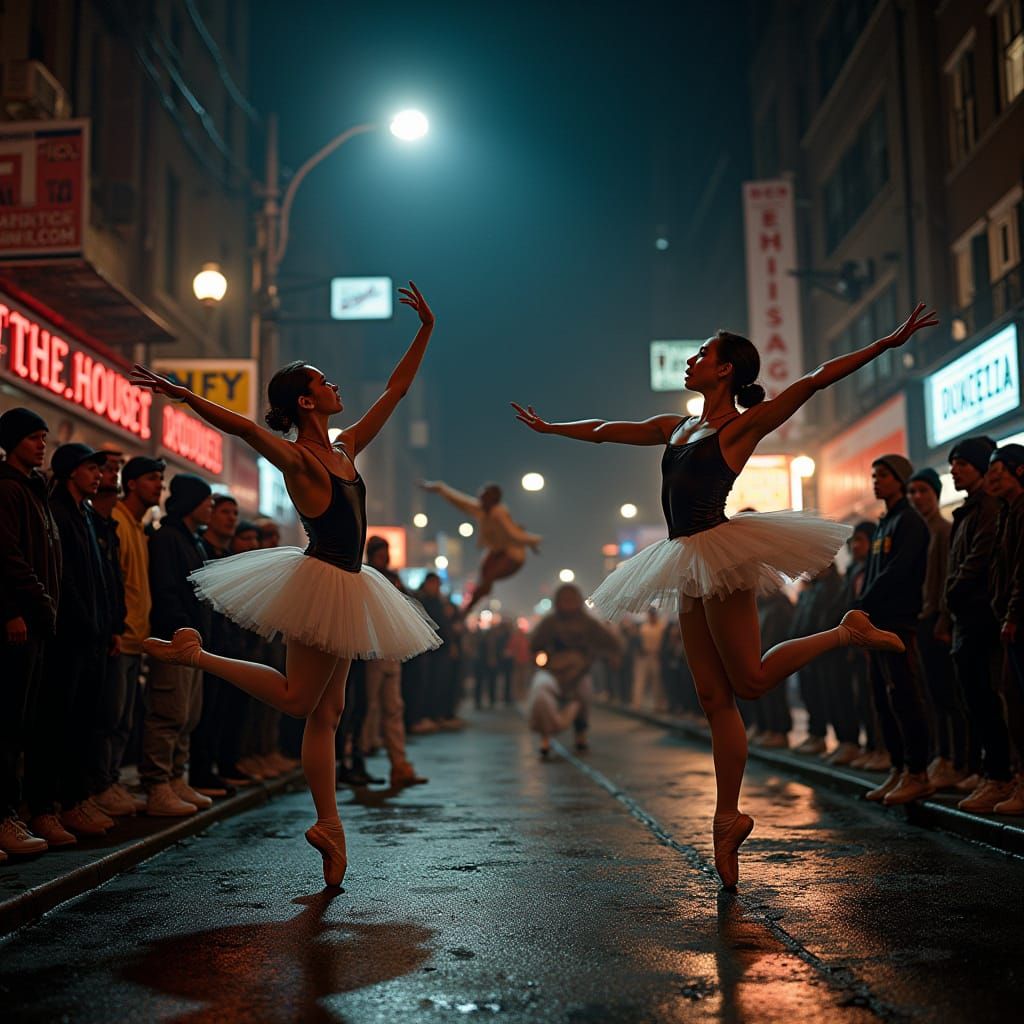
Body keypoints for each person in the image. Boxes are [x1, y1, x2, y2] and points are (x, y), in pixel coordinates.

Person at [512, 304, 937, 890]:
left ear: (727, 371)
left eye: (702, 355)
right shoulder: (677, 426)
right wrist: (552, 429)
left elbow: (814, 380)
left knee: (751, 682)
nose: (691, 360)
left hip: (719, 553)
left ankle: (847, 630)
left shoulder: (740, 427)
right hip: (685, 559)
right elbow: (611, 431)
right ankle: (726, 817)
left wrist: (886, 343)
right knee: (714, 697)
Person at [130, 282, 441, 888]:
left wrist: (425, 329)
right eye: (324, 382)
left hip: (350, 584)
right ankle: (198, 657)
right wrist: (183, 395)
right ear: (305, 400)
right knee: (303, 702)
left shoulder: (348, 448)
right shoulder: (300, 460)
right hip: (324, 580)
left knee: (328, 712)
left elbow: (396, 391)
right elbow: (245, 428)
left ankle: (329, 825)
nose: (335, 387)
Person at [27, 443, 118, 841]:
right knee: (56, 725)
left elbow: (99, 582)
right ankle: (45, 808)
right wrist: (84, 623)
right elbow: (65, 580)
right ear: (69, 473)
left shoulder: (84, 514)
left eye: (99, 468)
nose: (98, 474)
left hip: (92, 638)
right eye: (89, 467)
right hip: (69, 638)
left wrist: (107, 626)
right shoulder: (60, 512)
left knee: (85, 721)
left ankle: (74, 802)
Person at [855, 455, 933, 806]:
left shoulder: (909, 522)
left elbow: (898, 572)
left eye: (883, 475)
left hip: (899, 622)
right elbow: (874, 573)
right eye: (874, 475)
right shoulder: (885, 522)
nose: (876, 481)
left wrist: (862, 603)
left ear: (900, 479)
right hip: (877, 622)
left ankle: (918, 773)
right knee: (882, 698)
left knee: (903, 695)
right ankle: (898, 768)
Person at [0, 409, 60, 859]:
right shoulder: (7, 489)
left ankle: (11, 813)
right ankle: (3, 816)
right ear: (14, 441)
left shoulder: (35, 491)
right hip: (19, 624)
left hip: (38, 621)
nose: (42, 445)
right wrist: (16, 609)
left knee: (25, 723)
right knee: (7, 723)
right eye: (35, 437)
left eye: (44, 437)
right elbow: (6, 557)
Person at [945, 437, 1015, 813]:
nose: (954, 470)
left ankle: (1000, 775)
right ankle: (992, 773)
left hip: (981, 617)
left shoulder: (989, 507)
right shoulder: (970, 508)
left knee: (988, 699)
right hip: (967, 617)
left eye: (962, 464)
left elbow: (977, 562)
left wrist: (952, 594)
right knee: (974, 698)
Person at [142, 473, 215, 816]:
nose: (211, 508)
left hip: (194, 645)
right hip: (175, 641)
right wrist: (180, 630)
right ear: (191, 502)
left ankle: (176, 779)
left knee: (188, 716)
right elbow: (166, 589)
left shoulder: (192, 540)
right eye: (207, 501)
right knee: (168, 713)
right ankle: (157, 786)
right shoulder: (167, 538)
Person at [109, 457, 165, 802]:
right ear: (130, 483)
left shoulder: (139, 527)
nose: (158, 485)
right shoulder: (116, 520)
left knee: (123, 720)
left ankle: (109, 784)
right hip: (120, 637)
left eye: (160, 479)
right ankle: (99, 787)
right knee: (109, 720)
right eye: (150, 479)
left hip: (136, 639)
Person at [907, 467, 966, 789]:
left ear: (935, 494)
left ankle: (953, 759)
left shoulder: (943, 530)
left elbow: (946, 578)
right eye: (912, 492)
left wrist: (943, 619)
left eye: (923, 492)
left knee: (946, 694)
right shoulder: (919, 531)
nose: (917, 498)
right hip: (920, 620)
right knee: (929, 694)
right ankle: (939, 755)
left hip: (936, 622)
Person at [419, 478, 541, 617]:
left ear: (493, 500)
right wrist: (440, 488)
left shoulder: (499, 514)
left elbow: (514, 533)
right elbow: (461, 501)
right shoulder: (481, 509)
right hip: (496, 551)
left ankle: (468, 608)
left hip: (512, 555)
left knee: (488, 578)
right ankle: (469, 607)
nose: (481, 499)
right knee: (483, 578)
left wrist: (534, 541)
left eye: (485, 496)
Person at [361, 535, 427, 789]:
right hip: (372, 650)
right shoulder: (366, 575)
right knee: (369, 707)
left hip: (390, 650)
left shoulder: (393, 577)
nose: (385, 557)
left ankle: (399, 765)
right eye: (381, 552)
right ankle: (360, 757)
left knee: (393, 707)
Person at [527, 584, 621, 756]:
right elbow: (535, 645)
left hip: (580, 671)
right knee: (540, 691)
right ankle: (545, 737)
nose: (568, 603)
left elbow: (610, 643)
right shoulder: (550, 623)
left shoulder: (588, 624)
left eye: (571, 600)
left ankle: (581, 734)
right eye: (565, 600)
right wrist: (540, 657)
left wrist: (609, 656)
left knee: (584, 694)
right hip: (552, 670)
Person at [987, 444, 1024, 814]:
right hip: (1008, 620)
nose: (992, 478)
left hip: (1017, 622)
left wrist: (1012, 613)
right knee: (1012, 700)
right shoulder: (1006, 513)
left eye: (998, 471)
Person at [633, 607, 667, 711]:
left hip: (656, 656)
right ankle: (637, 704)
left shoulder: (661, 626)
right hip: (644, 656)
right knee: (640, 681)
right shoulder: (644, 627)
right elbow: (638, 642)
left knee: (656, 682)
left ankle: (658, 705)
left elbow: (664, 642)